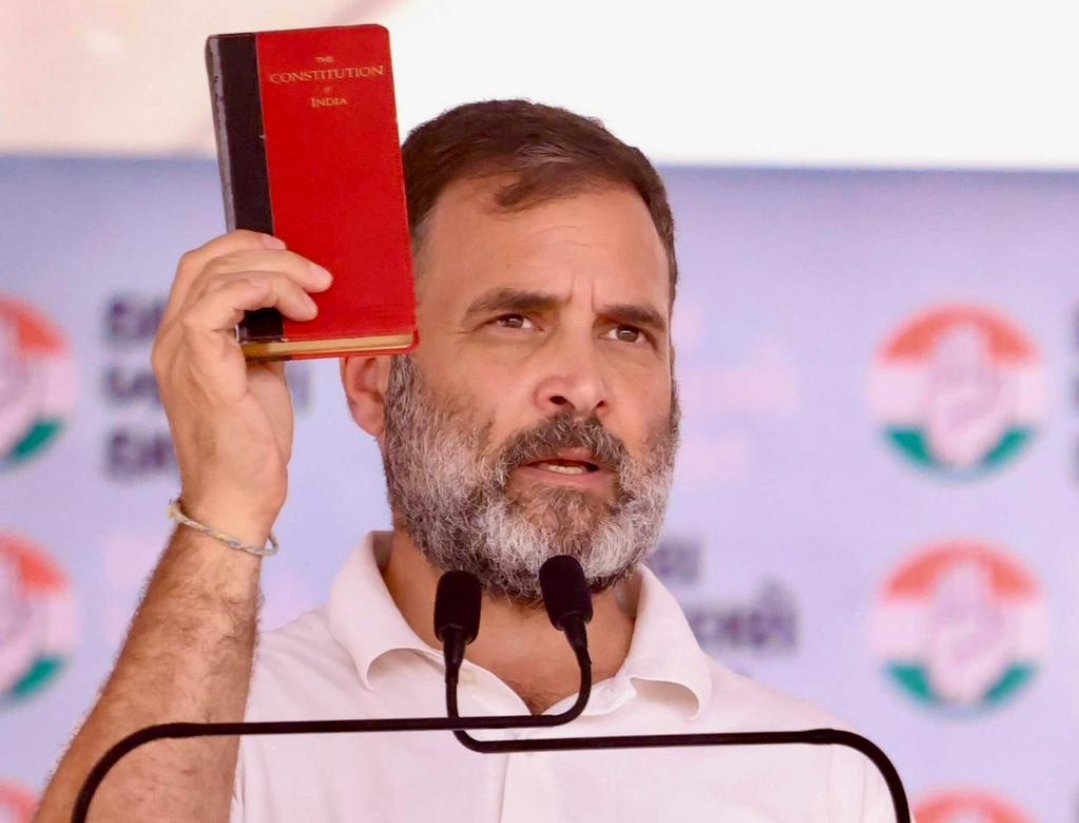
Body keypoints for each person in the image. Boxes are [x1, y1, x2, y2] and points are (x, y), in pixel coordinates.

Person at [36, 100, 893, 822]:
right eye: (514, 320)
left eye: (626, 332)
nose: (582, 384)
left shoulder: (817, 777)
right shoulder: (211, 729)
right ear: (373, 380)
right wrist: (228, 506)